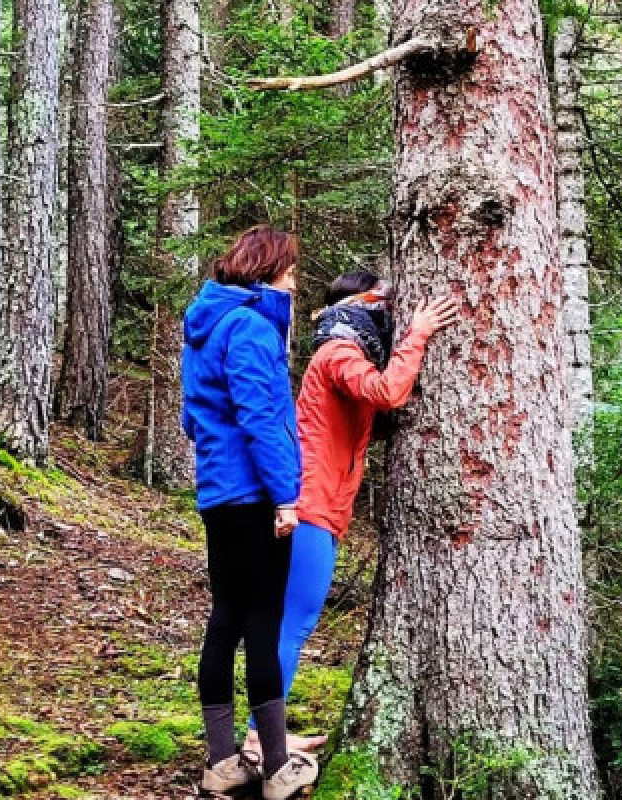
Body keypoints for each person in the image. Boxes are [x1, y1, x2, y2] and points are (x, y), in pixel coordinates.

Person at [244, 271, 459, 756]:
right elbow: (386, 393)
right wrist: (418, 334)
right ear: (356, 308)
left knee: (287, 623)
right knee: (292, 624)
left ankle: (263, 733)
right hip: (310, 507)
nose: (386, 317)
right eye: (379, 307)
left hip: (320, 506)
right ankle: (262, 738)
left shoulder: (342, 353)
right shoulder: (337, 353)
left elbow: (369, 415)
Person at [181, 225, 320, 800]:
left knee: (227, 617)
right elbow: (263, 417)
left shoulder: (206, 324)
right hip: (256, 495)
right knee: (262, 622)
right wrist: (286, 495)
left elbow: (196, 418)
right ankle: (279, 771)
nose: (295, 282)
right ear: (269, 272)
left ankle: (221, 764)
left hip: (219, 492)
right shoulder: (250, 328)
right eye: (289, 272)